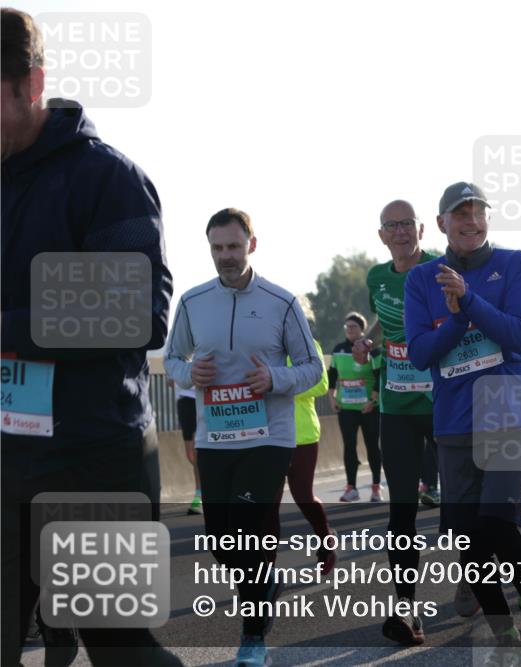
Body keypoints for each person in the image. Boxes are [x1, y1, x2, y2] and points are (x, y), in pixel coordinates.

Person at [1, 8, 182, 665]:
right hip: (4, 457)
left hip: (90, 455)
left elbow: (137, 312)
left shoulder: (104, 178)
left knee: (120, 647)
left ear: (31, 83)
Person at [405, 181, 521, 664]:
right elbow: (418, 354)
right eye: (460, 215)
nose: (471, 222)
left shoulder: (515, 265)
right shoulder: (421, 279)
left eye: (478, 214)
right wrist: (454, 321)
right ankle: (504, 633)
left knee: (496, 521)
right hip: (453, 420)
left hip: (508, 410)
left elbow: (519, 338)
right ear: (441, 224)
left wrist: (468, 301)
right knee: (467, 538)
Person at [165, 208, 324, 666]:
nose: (225, 257)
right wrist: (190, 372)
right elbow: (173, 360)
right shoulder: (193, 302)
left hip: (269, 436)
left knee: (251, 528)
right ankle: (263, 584)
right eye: (217, 248)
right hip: (217, 437)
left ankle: (253, 636)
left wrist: (274, 380)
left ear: (252, 245)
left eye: (233, 247)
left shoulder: (282, 302)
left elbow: (314, 368)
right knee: (221, 538)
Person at [354, 199, 440, 645]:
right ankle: (407, 610)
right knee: (401, 513)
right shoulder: (376, 278)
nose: (401, 231)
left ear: (422, 229)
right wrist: (368, 342)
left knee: (460, 513)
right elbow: (386, 326)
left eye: (408, 223)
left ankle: (474, 582)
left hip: (446, 407)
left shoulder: (443, 269)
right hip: (397, 408)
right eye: (393, 225)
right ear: (382, 235)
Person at [278, 296, 336, 573]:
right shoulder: (267, 348)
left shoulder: (310, 346)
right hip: (270, 435)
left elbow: (321, 384)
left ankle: (325, 538)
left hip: (303, 435)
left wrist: (283, 386)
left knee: (303, 496)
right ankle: (265, 570)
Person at [329, 312, 382, 502]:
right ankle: (351, 487)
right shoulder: (339, 350)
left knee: (372, 447)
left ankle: (376, 487)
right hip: (347, 408)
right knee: (349, 446)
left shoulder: (372, 350)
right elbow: (332, 375)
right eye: (347, 327)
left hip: (369, 408)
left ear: (362, 330)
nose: (349, 330)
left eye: (353, 327)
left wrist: (373, 401)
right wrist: (331, 397)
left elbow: (379, 376)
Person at [170, 382, 202, 514]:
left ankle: (199, 497)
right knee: (191, 455)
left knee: (199, 452)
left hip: (206, 397)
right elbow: (171, 379)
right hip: (185, 400)